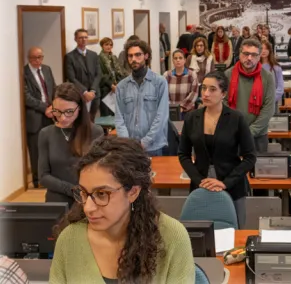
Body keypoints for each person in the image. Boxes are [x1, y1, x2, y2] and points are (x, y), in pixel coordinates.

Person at [50, 137, 195, 283]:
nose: (88, 208)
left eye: (101, 194)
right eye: (83, 192)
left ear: (133, 192)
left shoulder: (172, 238)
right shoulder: (69, 240)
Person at [178, 71, 257, 229]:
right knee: (201, 231)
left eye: (212, 89)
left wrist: (224, 183)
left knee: (235, 233)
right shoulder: (192, 118)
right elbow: (183, 154)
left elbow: (250, 157)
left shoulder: (236, 118)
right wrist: (199, 180)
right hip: (201, 185)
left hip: (232, 185)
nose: (206, 94)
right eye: (204, 88)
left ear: (223, 94)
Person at [38, 83, 103, 207]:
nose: (62, 118)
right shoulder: (45, 134)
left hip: (88, 198)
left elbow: (99, 170)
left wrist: (84, 192)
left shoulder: (95, 132)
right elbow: (43, 176)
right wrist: (72, 190)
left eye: (69, 111)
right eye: (57, 111)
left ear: (79, 108)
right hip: (57, 199)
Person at [115, 39, 168, 156]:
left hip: (154, 147)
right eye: (130, 56)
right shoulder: (121, 87)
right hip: (130, 148)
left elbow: (161, 116)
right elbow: (119, 119)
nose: (133, 59)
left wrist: (145, 142)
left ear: (146, 56)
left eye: (138, 55)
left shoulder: (159, 82)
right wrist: (128, 143)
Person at [224, 39, 275, 154]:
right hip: (232, 134)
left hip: (258, 136)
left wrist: (249, 132)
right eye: (246, 54)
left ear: (259, 57)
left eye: (254, 55)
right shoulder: (228, 74)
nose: (249, 58)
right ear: (240, 54)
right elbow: (224, 103)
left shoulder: (267, 77)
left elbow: (269, 108)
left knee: (257, 171)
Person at [24, 46, 56, 188]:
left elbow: (53, 88)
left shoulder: (47, 69)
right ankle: (38, 181)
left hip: (50, 115)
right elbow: (26, 97)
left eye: (40, 57)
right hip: (35, 116)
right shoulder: (23, 73)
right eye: (34, 58)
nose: (38, 61)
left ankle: (50, 178)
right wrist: (45, 108)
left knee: (50, 147)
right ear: (29, 58)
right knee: (36, 149)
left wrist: (54, 107)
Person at [65, 29, 101, 121]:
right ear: (75, 39)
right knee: (81, 121)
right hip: (80, 95)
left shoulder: (94, 55)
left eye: (85, 37)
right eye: (81, 38)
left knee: (92, 120)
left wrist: (92, 90)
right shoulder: (70, 57)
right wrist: (85, 92)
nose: (84, 40)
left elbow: (99, 74)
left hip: (94, 95)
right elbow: (71, 78)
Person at [163, 49, 198, 115]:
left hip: (188, 111)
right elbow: (163, 93)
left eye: (180, 58)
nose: (178, 60)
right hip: (170, 111)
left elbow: (194, 93)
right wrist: (172, 108)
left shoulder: (192, 74)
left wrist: (182, 107)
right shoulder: (166, 75)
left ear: (185, 60)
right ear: (173, 61)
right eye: (175, 58)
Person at [98, 37, 124, 117]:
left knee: (116, 114)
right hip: (106, 89)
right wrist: (111, 85)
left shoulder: (114, 58)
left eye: (110, 45)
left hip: (116, 88)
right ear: (102, 46)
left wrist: (118, 85)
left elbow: (120, 72)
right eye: (106, 45)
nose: (109, 47)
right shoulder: (98, 58)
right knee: (107, 115)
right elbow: (101, 75)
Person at [260, 41, 284, 106]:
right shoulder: (254, 66)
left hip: (272, 103)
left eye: (266, 49)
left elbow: (280, 88)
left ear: (270, 51)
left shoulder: (276, 68)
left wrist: (270, 100)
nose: (263, 51)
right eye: (261, 48)